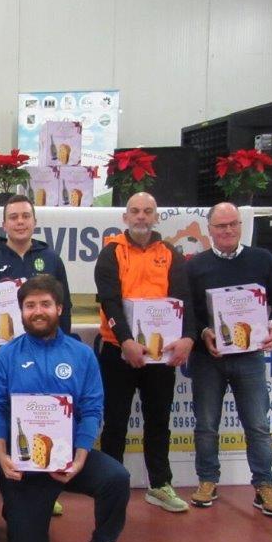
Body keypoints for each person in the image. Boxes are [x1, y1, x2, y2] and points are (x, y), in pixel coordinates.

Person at [0, 275, 140, 542]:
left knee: (116, 478)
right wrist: (1, 455)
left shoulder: (81, 354)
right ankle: (17, 510)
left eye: (45, 304)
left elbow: (92, 410)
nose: (38, 311)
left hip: (69, 456)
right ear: (21, 311)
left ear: (59, 308)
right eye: (30, 305)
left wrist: (80, 458)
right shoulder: (6, 355)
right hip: (25, 465)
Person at [0, 194, 72, 517]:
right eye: (13, 217)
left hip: (44, 357)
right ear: (4, 224)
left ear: (35, 221)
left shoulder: (51, 260)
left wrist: (61, 347)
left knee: (42, 417)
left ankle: (46, 486)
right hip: (2, 359)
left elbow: (64, 308)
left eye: (25, 216)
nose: (20, 222)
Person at [186, 202, 272, 517]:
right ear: (209, 230)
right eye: (221, 226)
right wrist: (204, 332)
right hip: (208, 357)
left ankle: (264, 485)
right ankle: (207, 480)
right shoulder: (195, 266)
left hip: (250, 357)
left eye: (233, 223)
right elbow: (188, 310)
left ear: (241, 226)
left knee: (258, 424)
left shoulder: (262, 259)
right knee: (206, 424)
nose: (228, 230)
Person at [94, 191, 195, 513]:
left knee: (158, 421)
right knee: (115, 422)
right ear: (125, 217)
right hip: (118, 352)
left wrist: (188, 337)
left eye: (147, 211)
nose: (141, 216)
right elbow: (109, 301)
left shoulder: (170, 253)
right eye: (135, 211)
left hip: (160, 355)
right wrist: (126, 340)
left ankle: (160, 484)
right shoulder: (111, 253)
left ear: (156, 217)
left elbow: (184, 299)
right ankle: (110, 487)